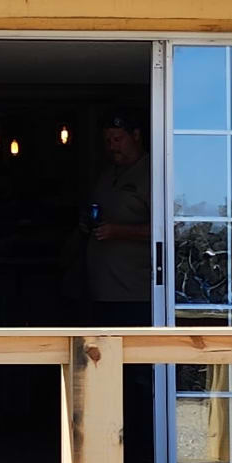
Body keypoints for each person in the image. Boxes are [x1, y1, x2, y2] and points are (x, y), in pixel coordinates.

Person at [84, 112, 152, 325]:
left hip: (134, 291)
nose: (112, 146)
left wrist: (118, 231)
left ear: (136, 136)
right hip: (101, 288)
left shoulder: (154, 172)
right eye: (108, 141)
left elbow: (169, 228)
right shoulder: (108, 173)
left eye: (118, 139)